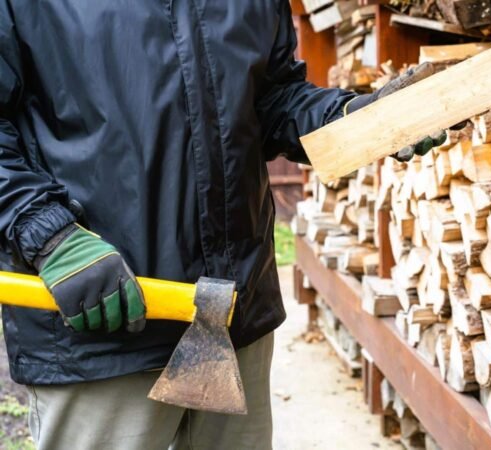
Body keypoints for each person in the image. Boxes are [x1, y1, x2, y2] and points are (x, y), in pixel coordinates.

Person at [0, 1, 442, 449]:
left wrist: (354, 119)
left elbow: (272, 99)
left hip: (231, 314)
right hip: (101, 325)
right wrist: (50, 236)